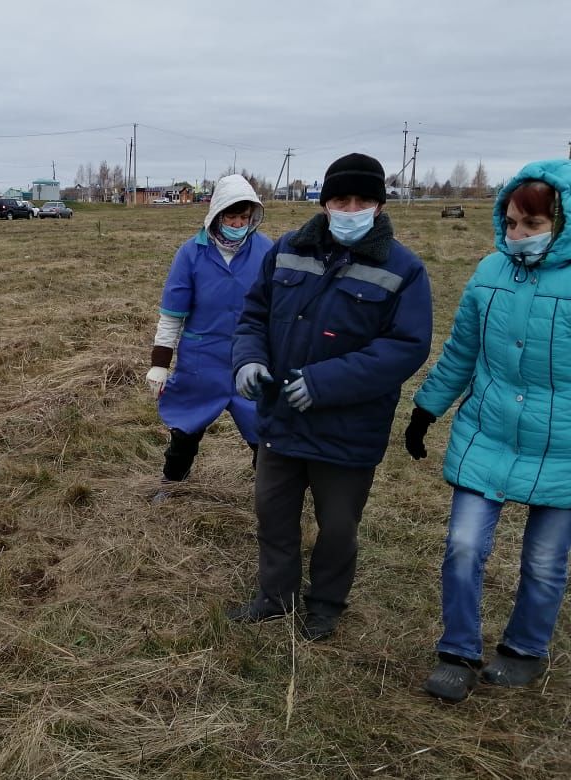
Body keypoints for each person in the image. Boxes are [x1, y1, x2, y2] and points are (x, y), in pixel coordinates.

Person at [229, 153, 433, 640]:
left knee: (338, 527)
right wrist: (248, 359)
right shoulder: (286, 250)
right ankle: (275, 596)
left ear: (379, 207)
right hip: (281, 419)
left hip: (348, 431)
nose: (351, 208)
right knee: (273, 514)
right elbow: (254, 315)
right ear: (324, 203)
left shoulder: (404, 269)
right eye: (341, 199)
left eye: (363, 200)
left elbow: (404, 348)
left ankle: (325, 604)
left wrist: (324, 384)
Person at [405, 159, 571, 702]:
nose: (515, 234)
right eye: (511, 222)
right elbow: (461, 352)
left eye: (532, 225)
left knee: (545, 563)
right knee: (462, 544)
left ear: (562, 223)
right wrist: (427, 408)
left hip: (563, 447)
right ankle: (458, 649)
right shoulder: (487, 273)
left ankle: (524, 649)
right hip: (489, 434)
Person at [145, 174, 273, 500]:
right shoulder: (191, 254)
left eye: (244, 217)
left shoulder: (266, 251)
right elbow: (173, 315)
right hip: (203, 361)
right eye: (231, 216)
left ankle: (272, 495)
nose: (238, 223)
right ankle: (172, 484)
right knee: (186, 429)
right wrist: (160, 364)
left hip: (252, 359)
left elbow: (280, 309)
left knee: (266, 433)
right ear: (217, 214)